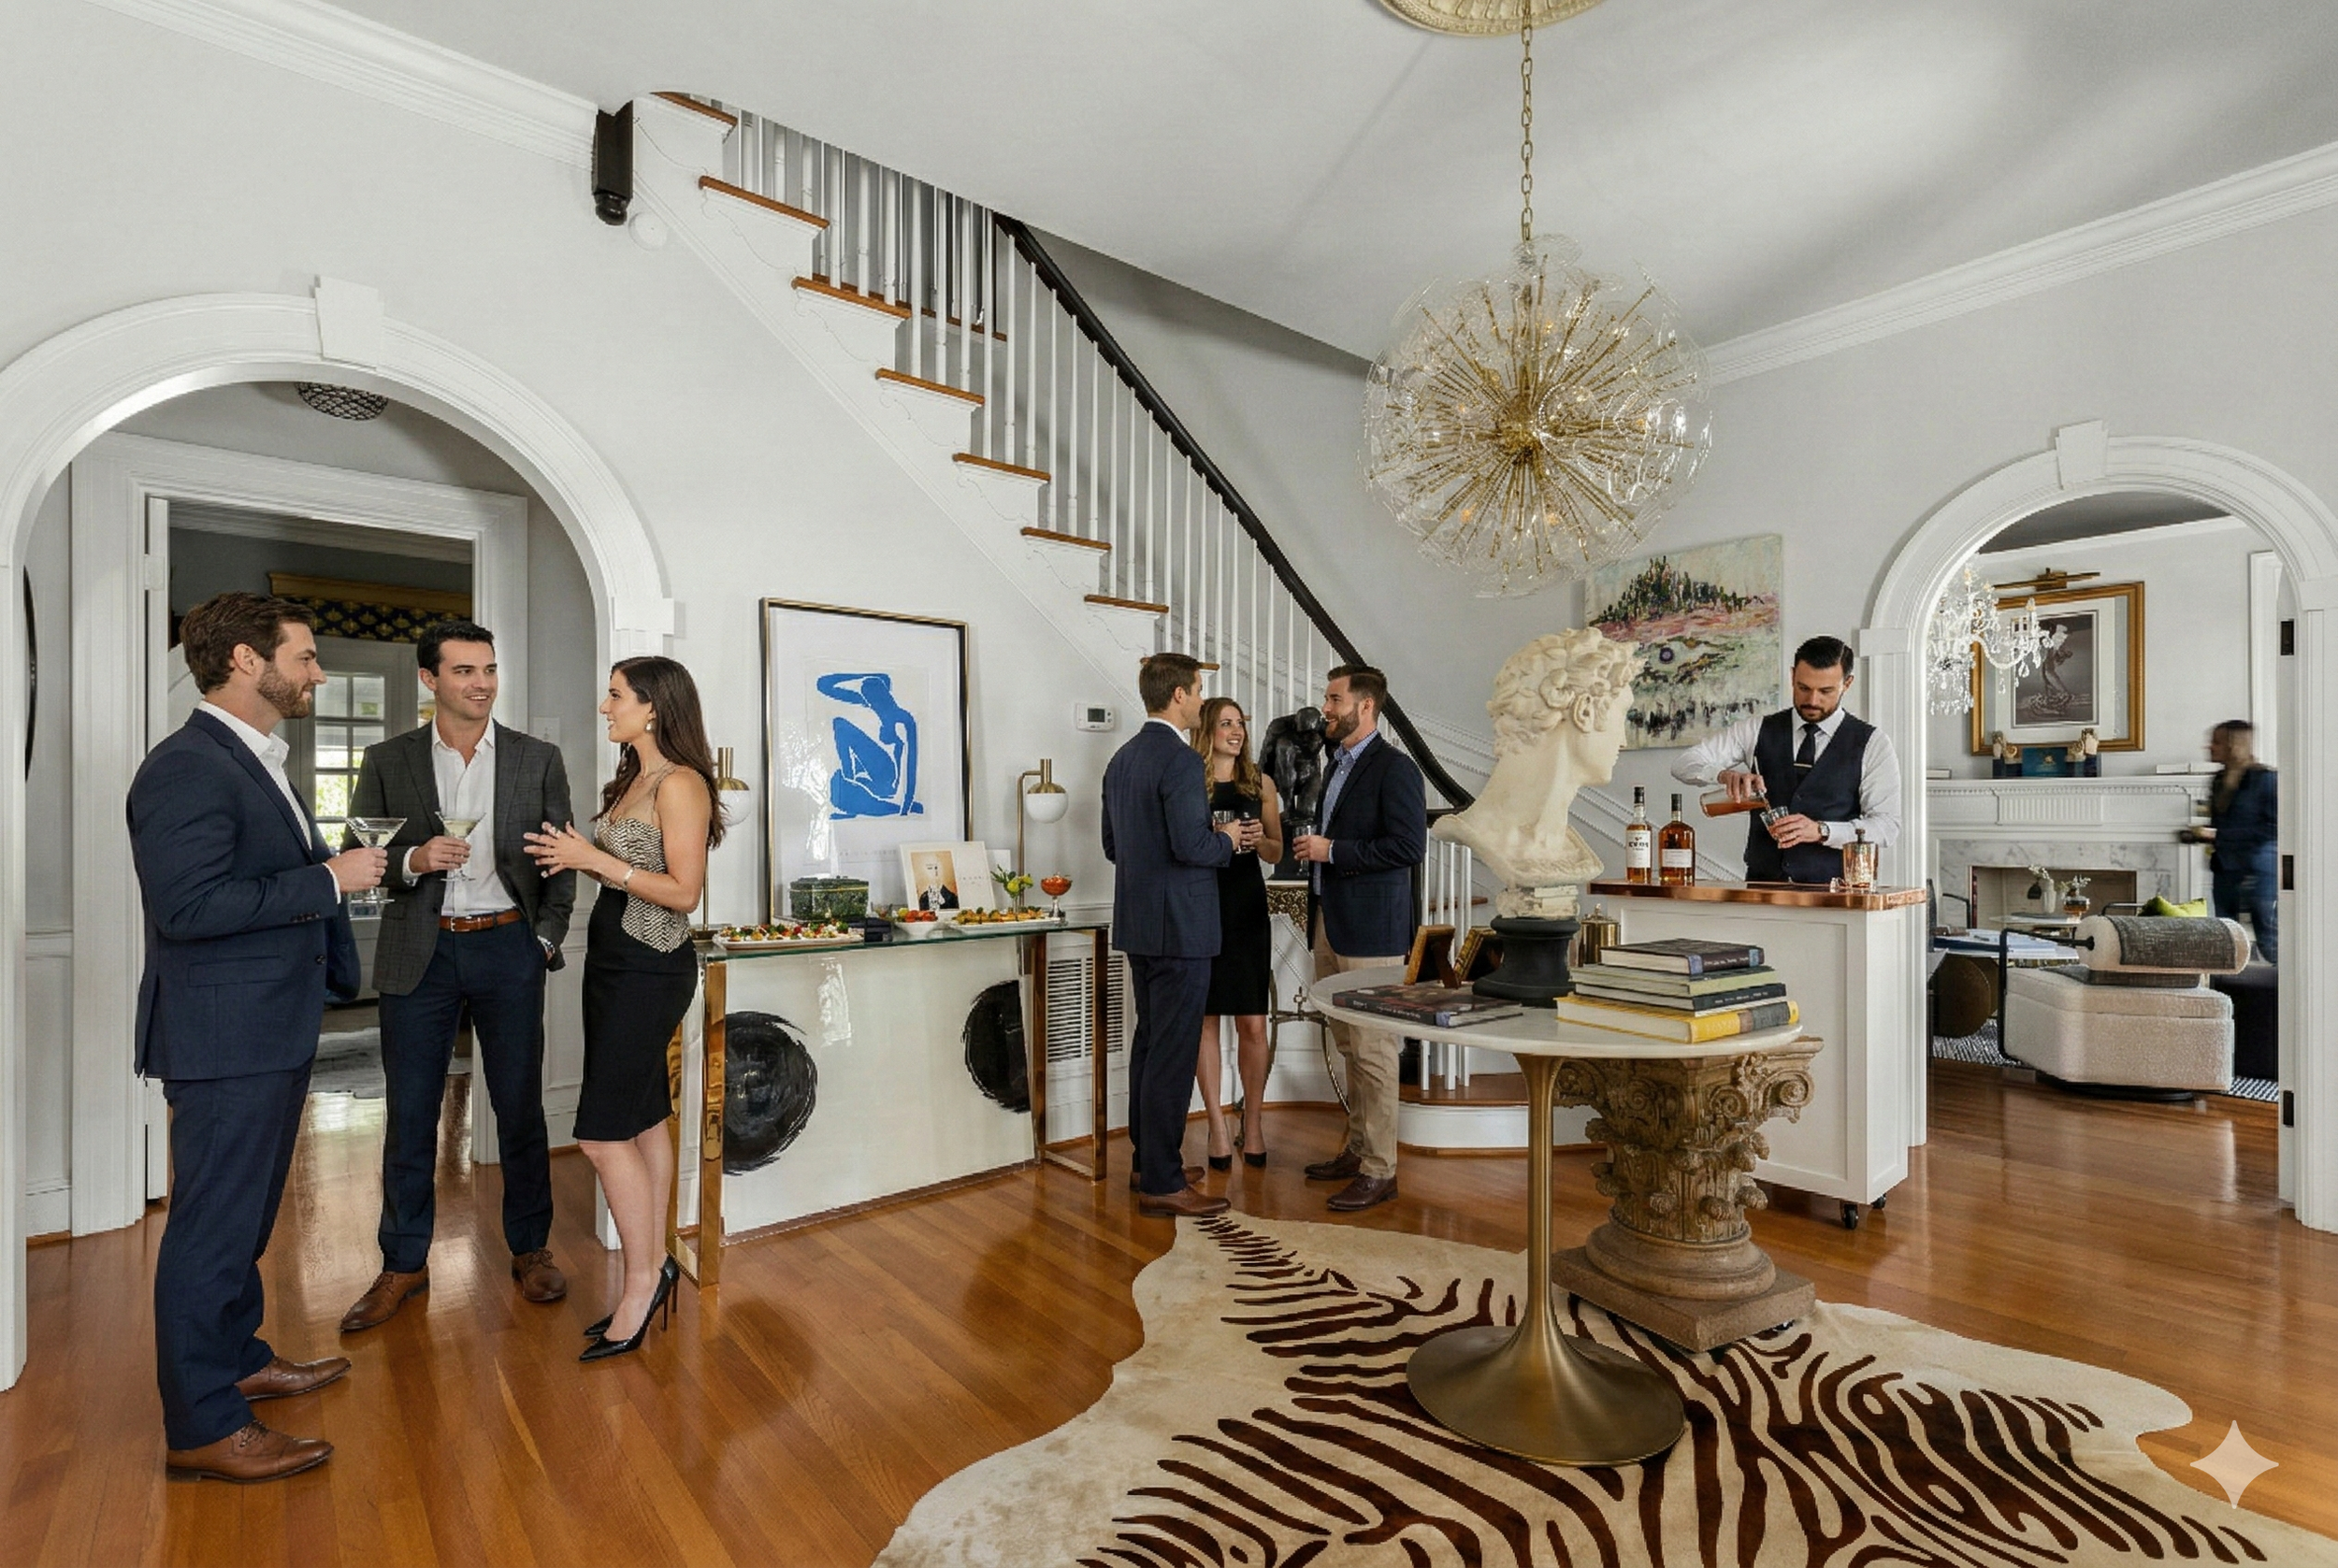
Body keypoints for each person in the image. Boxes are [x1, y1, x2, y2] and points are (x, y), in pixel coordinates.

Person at [128, 593, 387, 1482]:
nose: (318, 672)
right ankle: (203, 1425)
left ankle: (237, 1355)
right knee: (209, 1227)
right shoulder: (188, 767)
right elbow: (190, 908)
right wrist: (330, 876)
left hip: (264, 1026)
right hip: (223, 1035)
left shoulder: (252, 757)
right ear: (246, 659)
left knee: (243, 1218)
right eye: (306, 656)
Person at [338, 621, 578, 1336]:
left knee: (519, 1107)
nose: (481, 683)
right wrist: (415, 859)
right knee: (410, 1113)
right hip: (423, 952)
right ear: (430, 679)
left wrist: (543, 939)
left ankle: (531, 1247)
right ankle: (403, 1262)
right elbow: (361, 852)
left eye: (490, 670)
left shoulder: (538, 759)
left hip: (509, 948)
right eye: (465, 671)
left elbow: (560, 861)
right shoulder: (389, 758)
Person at [524, 656, 719, 1359]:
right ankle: (657, 1261)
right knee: (639, 1117)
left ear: (653, 708)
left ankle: (640, 1283)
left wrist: (592, 859)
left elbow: (684, 891)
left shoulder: (682, 783)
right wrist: (571, 853)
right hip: (611, 964)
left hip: (650, 966)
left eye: (615, 696)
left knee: (603, 1132)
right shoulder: (633, 776)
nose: (605, 707)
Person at [1102, 653, 1250, 1218]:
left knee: (1149, 1045)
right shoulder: (1184, 763)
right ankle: (1162, 1181)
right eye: (1199, 691)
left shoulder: (1121, 759)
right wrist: (1229, 837)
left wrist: (1200, 836)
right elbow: (1192, 847)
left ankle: (1150, 1161)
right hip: (1182, 928)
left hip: (1139, 924)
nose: (1202, 701)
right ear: (1181, 696)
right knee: (1171, 1050)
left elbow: (1115, 846)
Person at [1291, 665, 1426, 1214]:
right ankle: (1357, 1147)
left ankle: (1381, 1170)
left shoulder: (1395, 769)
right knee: (1347, 1042)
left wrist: (1333, 853)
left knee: (1373, 1049)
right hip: (1331, 920)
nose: (1325, 707)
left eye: (1334, 697)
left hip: (1372, 928)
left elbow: (1407, 848)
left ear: (1365, 706)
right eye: (1327, 697)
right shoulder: (1335, 764)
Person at [1672, 634, 1902, 884]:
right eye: (1803, 688)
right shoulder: (1756, 730)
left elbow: (1887, 827)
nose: (1813, 700)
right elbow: (1683, 764)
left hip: (1837, 896)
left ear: (1847, 684)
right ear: (1792, 676)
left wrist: (1823, 831)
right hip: (1763, 889)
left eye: (1825, 691)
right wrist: (1721, 774)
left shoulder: (1872, 743)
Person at [1191, 698, 1283, 1170]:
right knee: (1205, 1020)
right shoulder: (1189, 780)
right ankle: (1216, 1125)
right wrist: (1211, 836)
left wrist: (1255, 840)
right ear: (1207, 729)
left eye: (1241, 723)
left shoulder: (1261, 783)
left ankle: (1255, 1123)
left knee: (1252, 1021)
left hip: (1246, 907)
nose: (1236, 730)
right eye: (1226, 723)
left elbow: (1275, 851)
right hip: (1202, 906)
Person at [2196, 719, 2279, 963]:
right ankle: (2234, 992)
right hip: (2224, 868)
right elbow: (2220, 824)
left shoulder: (2265, 780)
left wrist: (2219, 836)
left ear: (2235, 745)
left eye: (2217, 742)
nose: (2209, 747)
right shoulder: (2218, 780)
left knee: (2268, 937)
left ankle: (2286, 993)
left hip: (2258, 870)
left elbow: (2274, 829)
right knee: (2228, 936)